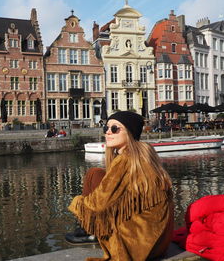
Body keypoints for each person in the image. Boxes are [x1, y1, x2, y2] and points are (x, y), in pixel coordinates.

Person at [67, 111, 174, 261]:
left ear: (130, 132)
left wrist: (75, 203)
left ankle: (89, 230)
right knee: (97, 173)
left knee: (92, 175)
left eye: (115, 128)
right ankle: (89, 230)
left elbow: (96, 204)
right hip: (159, 243)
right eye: (106, 128)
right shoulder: (144, 157)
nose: (108, 132)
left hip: (137, 245)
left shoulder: (125, 160)